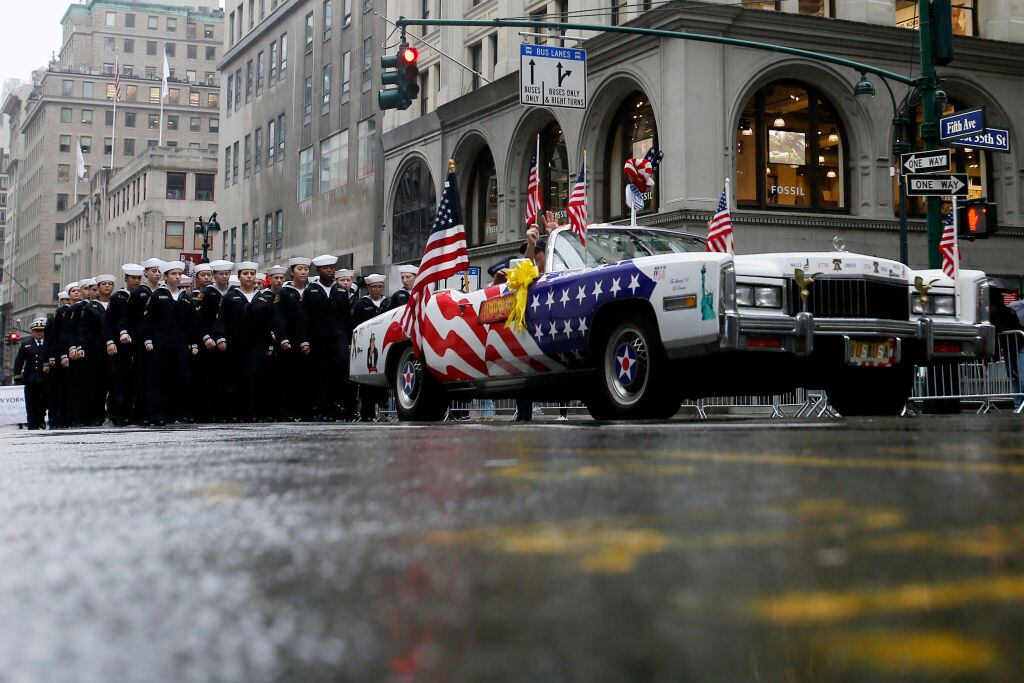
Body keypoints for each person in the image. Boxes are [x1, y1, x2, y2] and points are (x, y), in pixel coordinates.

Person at [214, 261, 275, 422]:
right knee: (235, 377)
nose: (249, 276)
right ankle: (235, 413)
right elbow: (222, 319)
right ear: (239, 276)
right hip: (235, 343)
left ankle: (253, 412)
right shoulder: (229, 297)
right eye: (246, 273)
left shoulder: (262, 298)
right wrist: (221, 337)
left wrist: (269, 344)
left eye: (252, 274)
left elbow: (269, 323)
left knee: (255, 376)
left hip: (257, 344)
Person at [298, 255, 355, 421]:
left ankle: (344, 408)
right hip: (319, 338)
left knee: (342, 371)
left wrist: (350, 340)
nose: (330, 270)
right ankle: (323, 409)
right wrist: (304, 340)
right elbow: (304, 318)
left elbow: (347, 318)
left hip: (338, 337)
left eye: (332, 267)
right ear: (319, 271)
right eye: (326, 268)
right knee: (322, 375)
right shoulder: (311, 291)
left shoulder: (341, 291)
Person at [141, 261, 197, 425]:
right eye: (174, 274)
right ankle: (158, 414)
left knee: (180, 378)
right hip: (160, 344)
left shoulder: (185, 298)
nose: (178, 277)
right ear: (165, 276)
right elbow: (148, 319)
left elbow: (191, 324)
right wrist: (148, 339)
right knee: (159, 379)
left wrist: (193, 343)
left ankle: (178, 413)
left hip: (180, 345)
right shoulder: (157, 295)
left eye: (179, 274)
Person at [120, 258, 162, 423]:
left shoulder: (162, 292)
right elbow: (127, 317)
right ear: (145, 273)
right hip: (139, 339)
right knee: (142, 377)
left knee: (157, 377)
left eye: (159, 271)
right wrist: (126, 333)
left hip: (158, 339)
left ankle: (157, 413)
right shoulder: (138, 293)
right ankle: (141, 413)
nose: (157, 274)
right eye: (153, 271)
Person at [274, 257, 313, 421]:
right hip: (289, 341)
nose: (303, 272)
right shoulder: (284, 292)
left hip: (309, 341)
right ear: (292, 272)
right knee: (288, 377)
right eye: (300, 269)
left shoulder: (312, 291)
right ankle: (287, 412)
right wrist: (283, 338)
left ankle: (306, 412)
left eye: (306, 269)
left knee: (307, 378)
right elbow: (279, 317)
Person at [194, 260, 233, 422]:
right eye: (221, 274)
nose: (224, 277)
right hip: (210, 341)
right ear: (215, 276)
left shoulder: (232, 292)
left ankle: (227, 411)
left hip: (229, 340)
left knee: (228, 377)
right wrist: (206, 337)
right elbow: (199, 318)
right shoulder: (208, 293)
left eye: (227, 274)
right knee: (211, 377)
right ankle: (210, 412)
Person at [74, 273, 115, 426]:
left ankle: (112, 414)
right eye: (104, 284)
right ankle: (94, 416)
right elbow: (83, 329)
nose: (107, 287)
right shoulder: (91, 307)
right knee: (96, 385)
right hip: (95, 351)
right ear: (97, 289)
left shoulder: (114, 304)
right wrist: (81, 346)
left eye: (110, 284)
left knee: (113, 383)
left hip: (113, 350)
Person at [105, 264, 143, 426]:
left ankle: (133, 412)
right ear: (126, 279)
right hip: (119, 344)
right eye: (133, 278)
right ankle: (118, 413)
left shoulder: (142, 295)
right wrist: (110, 341)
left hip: (137, 343)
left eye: (138, 278)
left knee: (135, 379)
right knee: (120, 379)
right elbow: (108, 322)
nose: (136, 281)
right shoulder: (117, 298)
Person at [351, 273, 391, 421]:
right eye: (374, 287)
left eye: (380, 287)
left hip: (382, 345)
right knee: (367, 380)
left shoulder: (387, 303)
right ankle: (367, 413)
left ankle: (383, 411)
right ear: (368, 288)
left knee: (382, 377)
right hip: (365, 346)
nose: (377, 289)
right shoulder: (361, 304)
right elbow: (355, 325)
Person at [13, 318, 49, 429]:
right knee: (31, 401)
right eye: (36, 330)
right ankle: (33, 423)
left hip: (45, 378)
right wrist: (17, 376)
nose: (39, 333)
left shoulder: (49, 343)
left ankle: (41, 417)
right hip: (31, 378)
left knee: (44, 400)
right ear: (32, 331)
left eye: (41, 330)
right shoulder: (26, 344)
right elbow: (19, 361)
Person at [43, 290, 71, 428]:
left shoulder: (73, 314)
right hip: (56, 359)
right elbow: (50, 339)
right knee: (55, 391)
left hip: (71, 356)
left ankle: (66, 418)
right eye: (64, 300)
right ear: (60, 302)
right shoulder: (53, 318)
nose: (67, 303)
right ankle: (54, 419)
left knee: (68, 390)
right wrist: (49, 358)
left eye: (68, 300)